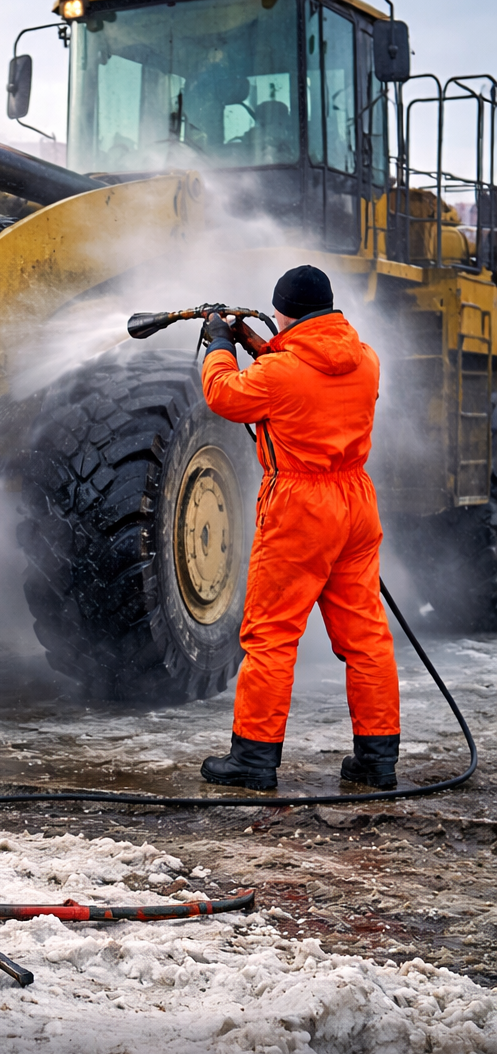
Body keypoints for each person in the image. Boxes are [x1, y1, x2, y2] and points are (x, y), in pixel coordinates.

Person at [199, 265, 401, 791]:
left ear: (285, 310)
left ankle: (253, 760)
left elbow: (225, 394)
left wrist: (221, 345)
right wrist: (258, 344)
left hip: (299, 508)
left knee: (271, 635)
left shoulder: (281, 372)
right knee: (366, 637)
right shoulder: (365, 360)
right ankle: (377, 763)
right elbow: (304, 375)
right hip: (355, 503)